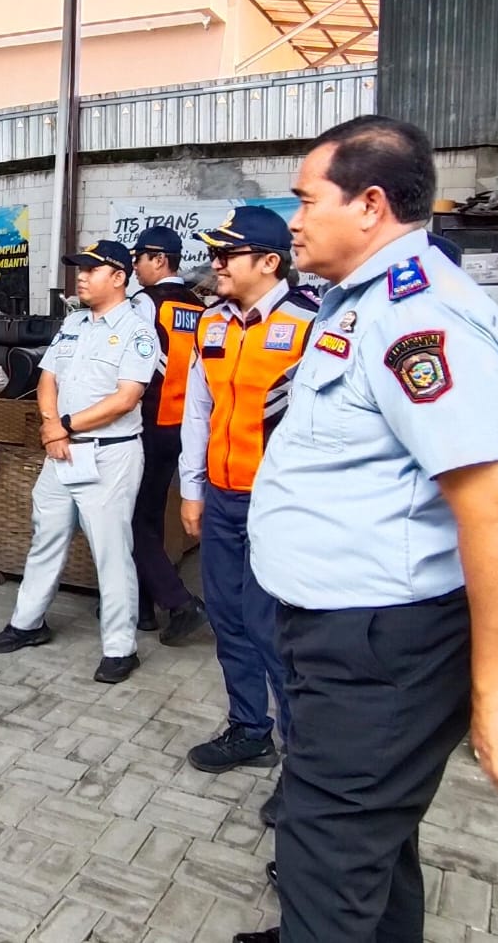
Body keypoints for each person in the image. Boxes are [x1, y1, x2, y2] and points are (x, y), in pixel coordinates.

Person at [233, 115, 498, 943]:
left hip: (382, 643)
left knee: (323, 851)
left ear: (369, 205)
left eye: (305, 200)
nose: (292, 220)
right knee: (368, 833)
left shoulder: (418, 320)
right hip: (341, 630)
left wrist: (495, 694)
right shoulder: (358, 305)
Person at [178, 207, 317, 791]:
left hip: (280, 506)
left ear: (268, 261)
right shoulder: (212, 324)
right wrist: (192, 489)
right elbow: (197, 411)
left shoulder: (316, 322)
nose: (215, 264)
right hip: (222, 497)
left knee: (273, 632)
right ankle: (248, 729)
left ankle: (302, 764)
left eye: (227, 255)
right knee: (228, 620)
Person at [0, 240, 153, 684]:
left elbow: (126, 397)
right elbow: (48, 378)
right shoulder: (73, 323)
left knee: (111, 553)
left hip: (108, 454)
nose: (80, 276)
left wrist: (65, 426)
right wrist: (50, 425)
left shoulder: (137, 331)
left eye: (91, 269)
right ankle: (28, 623)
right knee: (46, 538)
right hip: (61, 451)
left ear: (118, 278)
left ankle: (120, 648)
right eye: (79, 268)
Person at [127, 226, 211, 644]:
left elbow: (134, 366)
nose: (134, 266)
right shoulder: (198, 306)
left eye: (138, 258)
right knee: (150, 513)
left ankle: (180, 603)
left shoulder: (144, 303)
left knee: (132, 519)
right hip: (183, 426)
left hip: (146, 422)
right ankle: (145, 608)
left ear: (159, 259)